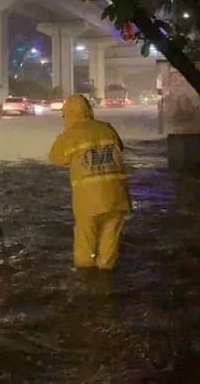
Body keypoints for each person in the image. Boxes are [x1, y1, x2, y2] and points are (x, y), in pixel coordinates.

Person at [48, 94, 131, 271]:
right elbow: (119, 148)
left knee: (85, 251)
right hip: (117, 196)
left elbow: (55, 158)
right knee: (109, 251)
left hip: (88, 200)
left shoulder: (70, 135)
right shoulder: (107, 128)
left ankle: (86, 287)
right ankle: (106, 283)